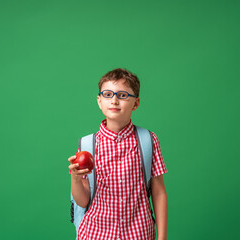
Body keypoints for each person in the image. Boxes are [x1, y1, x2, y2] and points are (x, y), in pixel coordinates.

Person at [68, 68, 168, 240]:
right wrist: (75, 178)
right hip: (96, 234)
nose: (114, 100)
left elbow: (159, 192)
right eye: (107, 94)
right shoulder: (87, 145)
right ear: (99, 101)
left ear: (135, 103)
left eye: (122, 95)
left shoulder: (148, 140)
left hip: (139, 233)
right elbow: (82, 201)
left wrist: (162, 237)